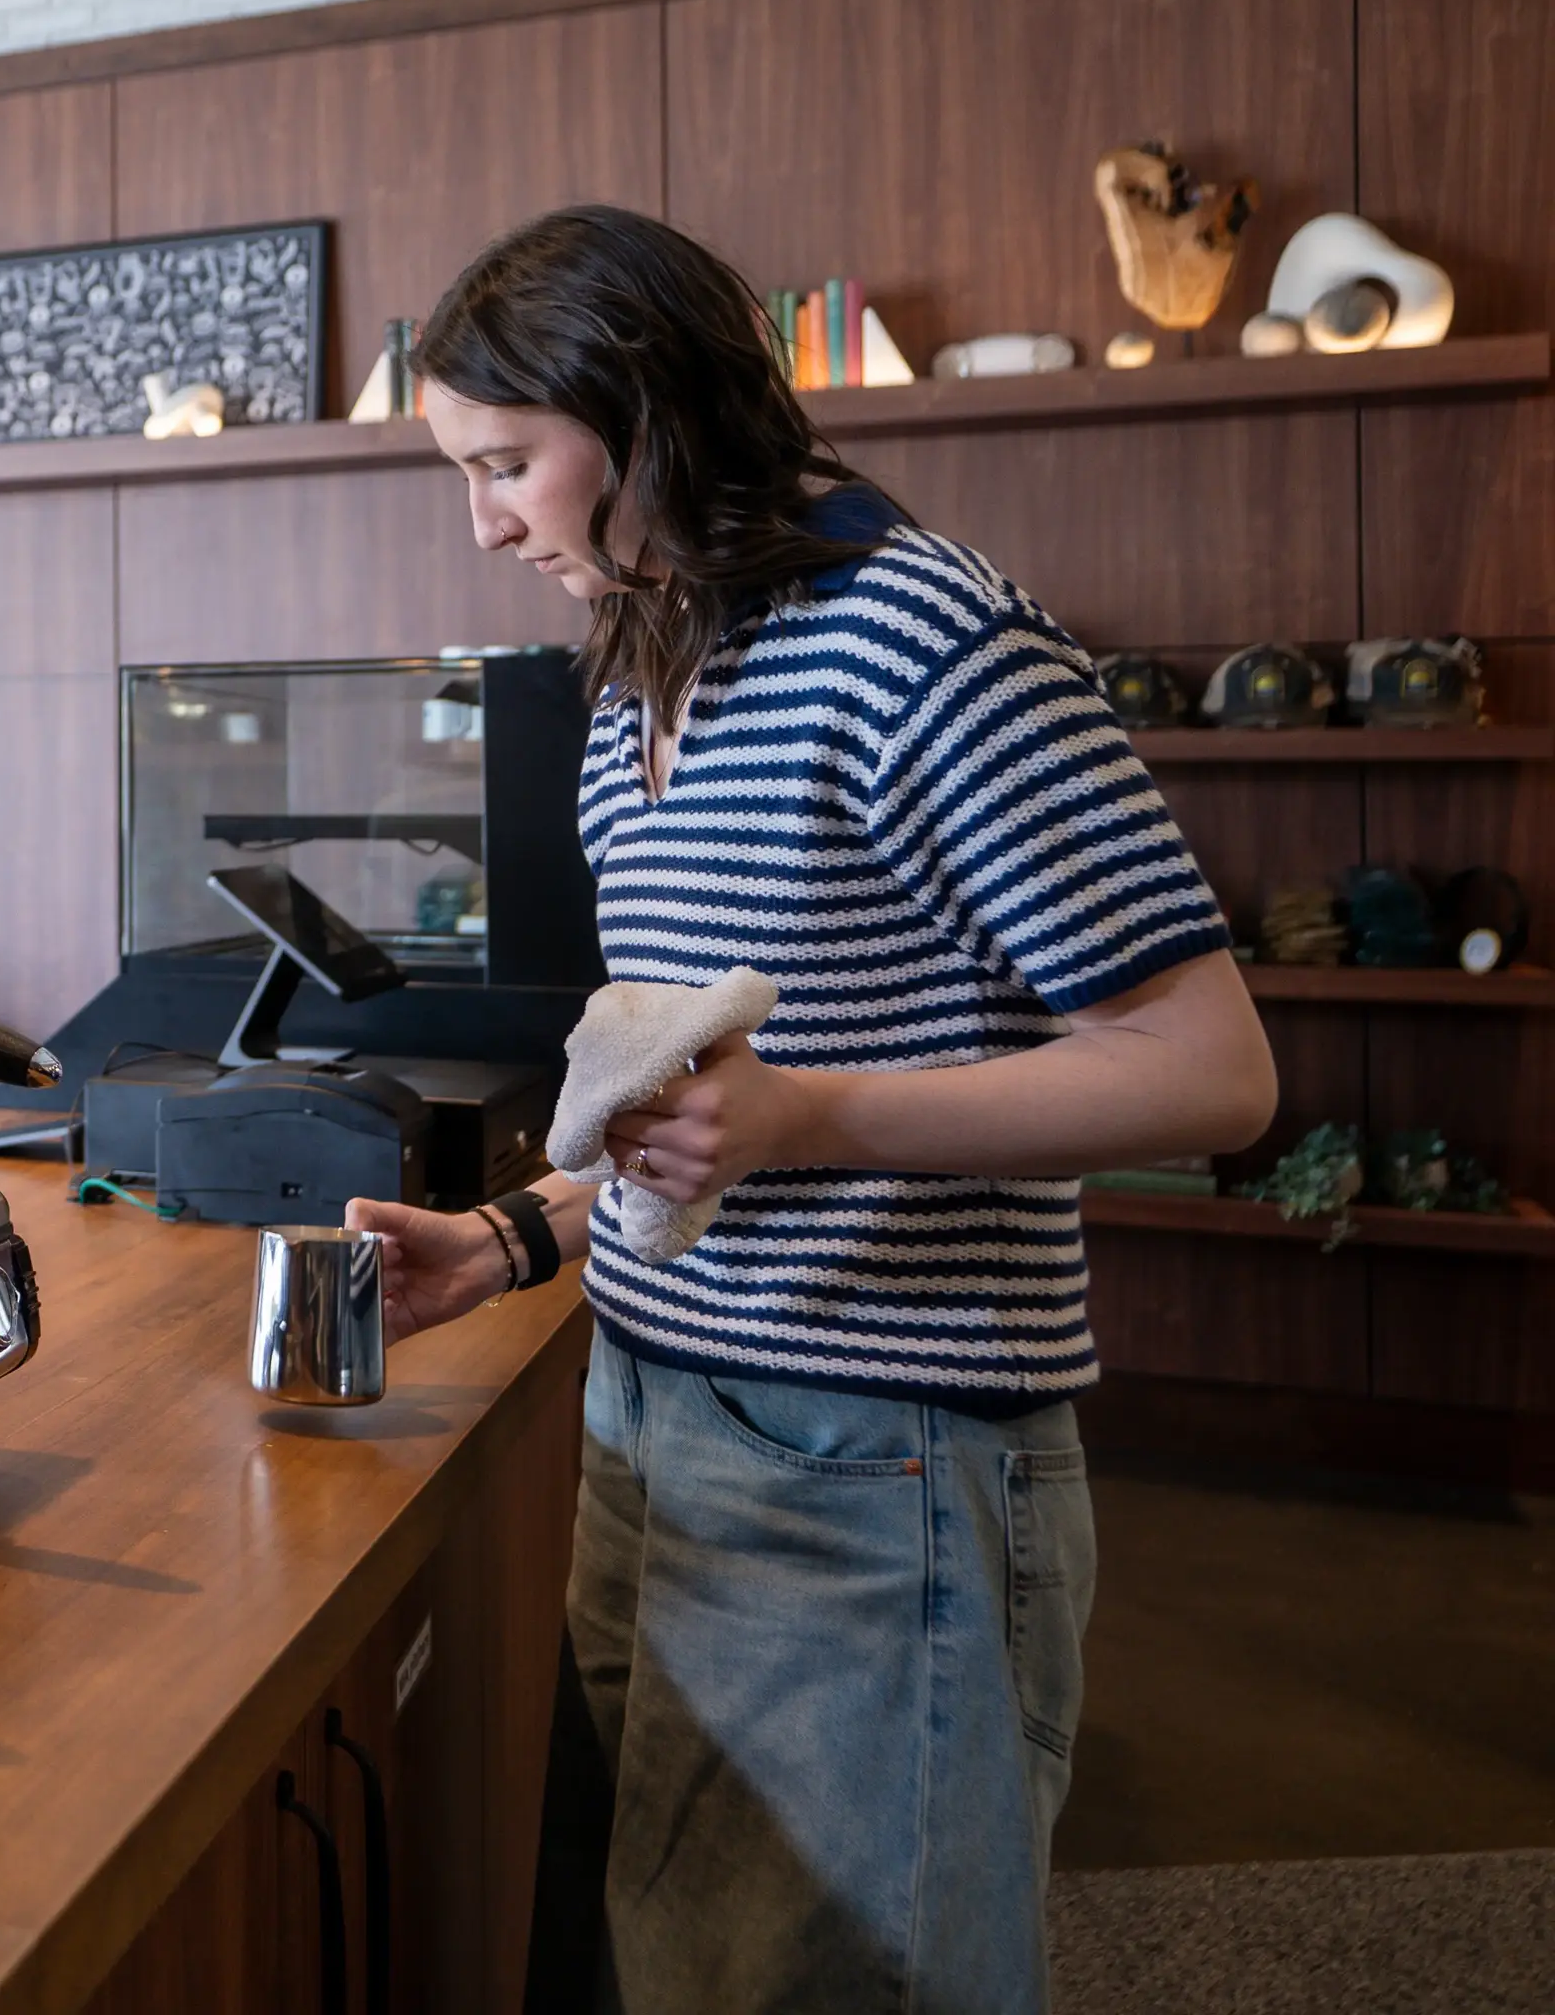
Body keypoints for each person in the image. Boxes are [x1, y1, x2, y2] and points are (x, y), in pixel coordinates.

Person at [347, 207, 1276, 2013]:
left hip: (884, 1460)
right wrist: (516, 1235)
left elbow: (1214, 1070)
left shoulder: (927, 631)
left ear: (646, 413)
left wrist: (809, 1124)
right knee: (665, 1966)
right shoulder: (639, 675)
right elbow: (683, 1099)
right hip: (653, 1423)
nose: (484, 522)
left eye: (507, 464)